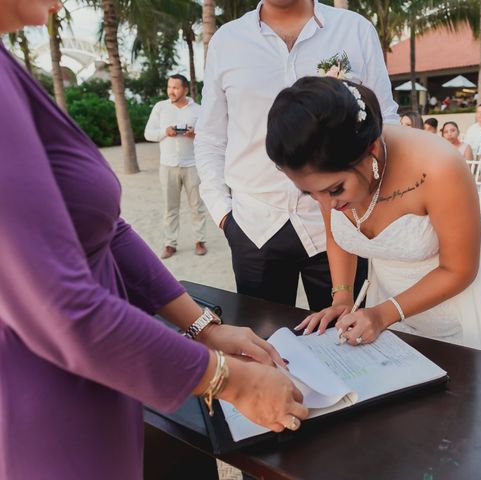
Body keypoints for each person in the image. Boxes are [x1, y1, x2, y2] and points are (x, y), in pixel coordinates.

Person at [0, 3, 309, 478]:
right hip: (46, 397)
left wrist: (204, 327)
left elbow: (106, 229)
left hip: (100, 377)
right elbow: (59, 310)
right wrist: (227, 379)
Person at [265, 75, 481, 366]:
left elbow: (460, 269)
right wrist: (342, 297)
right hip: (390, 297)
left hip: (467, 296)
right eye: (310, 194)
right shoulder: (326, 168)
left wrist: (382, 314)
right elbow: (339, 236)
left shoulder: (439, 166)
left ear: (372, 151)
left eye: (335, 190)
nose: (326, 204)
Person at [194, 0, 399, 312]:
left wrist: (371, 205)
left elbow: (386, 123)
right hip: (254, 225)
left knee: (346, 342)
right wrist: (224, 215)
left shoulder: (354, 29)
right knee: (263, 344)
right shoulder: (227, 40)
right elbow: (210, 138)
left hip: (344, 221)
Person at [144, 74, 208, 259]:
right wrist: (166, 131)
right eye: (169, 87)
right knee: (170, 208)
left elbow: (208, 136)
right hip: (167, 166)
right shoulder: (160, 108)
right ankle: (170, 244)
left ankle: (200, 241)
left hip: (192, 165)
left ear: (185, 89)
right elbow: (148, 133)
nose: (171, 91)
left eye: (175, 87)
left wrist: (194, 134)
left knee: (197, 207)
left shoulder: (198, 110)